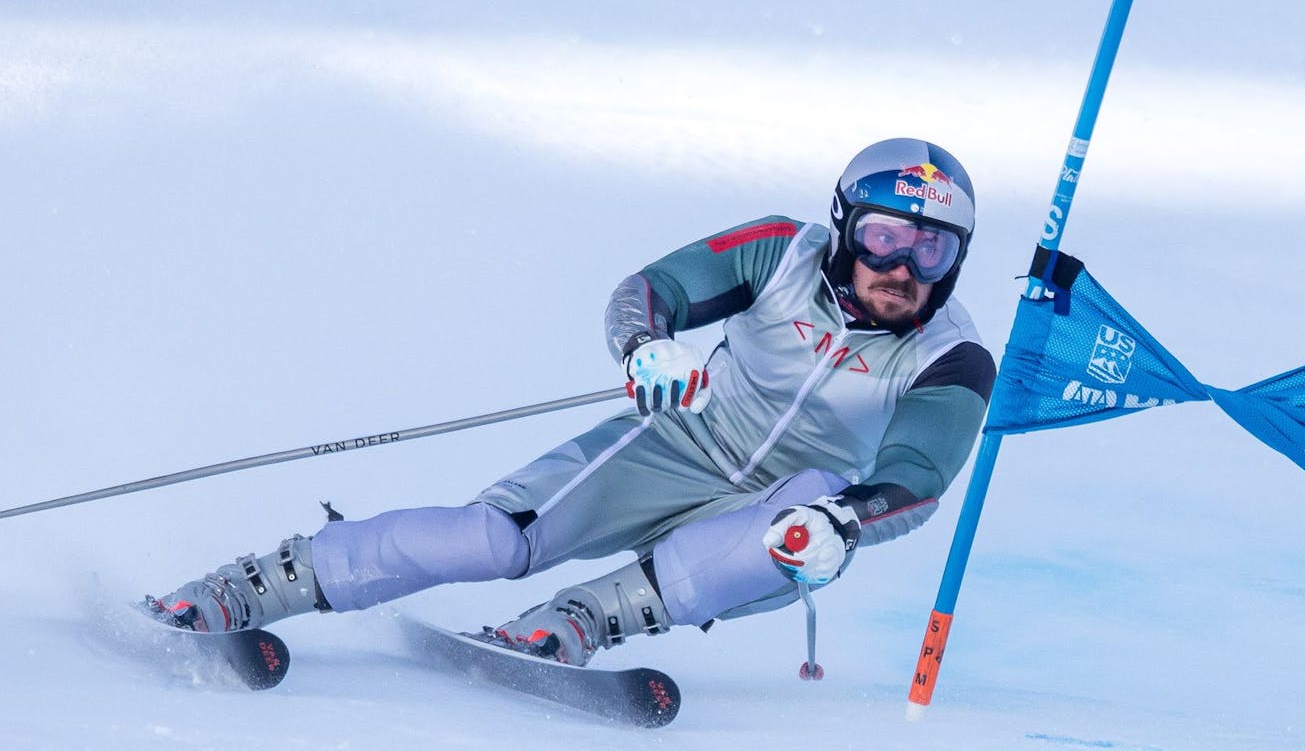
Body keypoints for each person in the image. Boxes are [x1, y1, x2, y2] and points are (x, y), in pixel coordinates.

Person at [146, 137, 997, 667]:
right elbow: (655, 286)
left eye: (931, 246)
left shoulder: (951, 354)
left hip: (785, 503)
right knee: (494, 537)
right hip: (684, 440)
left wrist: (850, 521)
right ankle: (258, 584)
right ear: (848, 227)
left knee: (807, 525)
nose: (903, 267)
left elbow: (918, 474)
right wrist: (647, 346)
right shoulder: (782, 252)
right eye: (886, 235)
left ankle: (579, 622)